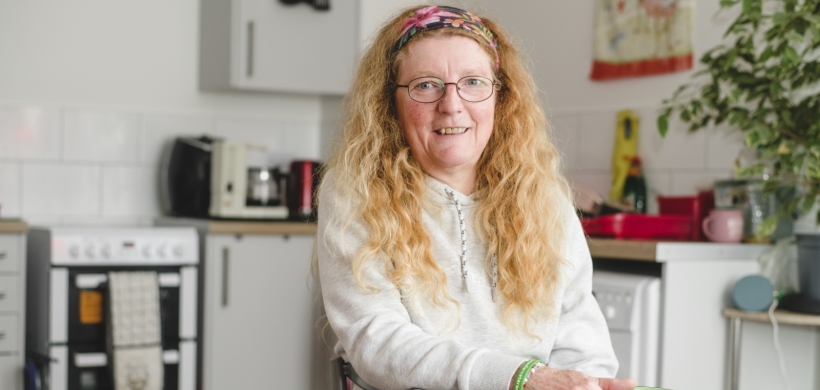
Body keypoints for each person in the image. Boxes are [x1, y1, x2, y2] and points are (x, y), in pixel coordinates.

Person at [317, 5, 637, 390]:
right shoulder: (356, 192)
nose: (451, 105)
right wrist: (519, 378)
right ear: (391, 104)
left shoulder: (546, 199)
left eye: (472, 82)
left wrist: (584, 383)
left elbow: (582, 343)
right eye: (425, 85)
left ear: (501, 98)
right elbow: (377, 342)